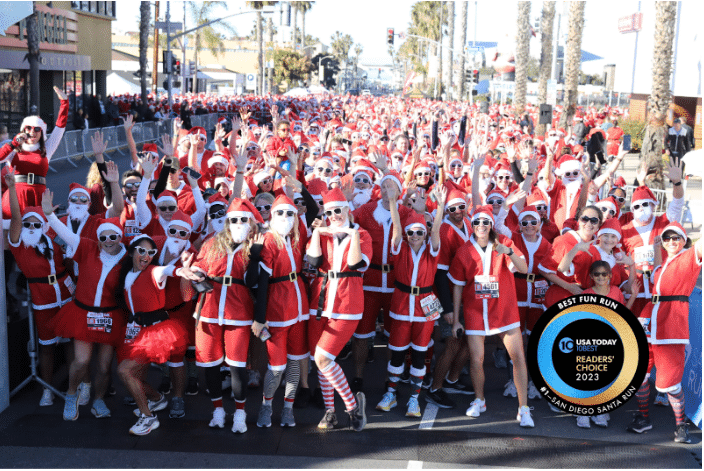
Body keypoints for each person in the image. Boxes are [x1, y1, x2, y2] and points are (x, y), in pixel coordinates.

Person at [177, 199, 262, 434]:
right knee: (211, 365)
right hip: (208, 311)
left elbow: (257, 282)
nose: (238, 223)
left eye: (243, 219)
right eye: (233, 219)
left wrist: (255, 255)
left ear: (250, 222)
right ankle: (217, 410)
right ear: (226, 222)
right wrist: (191, 268)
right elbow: (201, 267)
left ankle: (240, 413)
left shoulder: (256, 245)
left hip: (239, 312)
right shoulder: (211, 242)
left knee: (236, 366)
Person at [42, 189, 127, 422]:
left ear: (120, 237)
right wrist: (49, 215)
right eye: (104, 237)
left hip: (111, 316)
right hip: (83, 313)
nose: (108, 241)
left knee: (103, 366)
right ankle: (71, 395)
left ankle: (98, 400)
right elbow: (65, 235)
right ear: (97, 238)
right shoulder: (88, 248)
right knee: (81, 361)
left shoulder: (127, 259)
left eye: (114, 237)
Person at [448, 205, 534, 428]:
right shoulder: (464, 251)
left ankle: (523, 408)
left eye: (486, 222)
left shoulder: (504, 242)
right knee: (476, 359)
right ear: (472, 224)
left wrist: (511, 253)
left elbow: (524, 269)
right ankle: (480, 400)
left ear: (491, 225)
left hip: (504, 310)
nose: (481, 226)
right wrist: (456, 319)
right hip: (475, 311)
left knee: (518, 358)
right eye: (477, 222)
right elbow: (457, 287)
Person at [376, 185, 446, 418]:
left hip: (427, 302)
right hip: (402, 301)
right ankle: (391, 394)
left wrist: (440, 208)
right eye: (411, 233)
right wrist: (395, 204)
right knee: (396, 351)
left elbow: (436, 233)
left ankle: (414, 399)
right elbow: (397, 228)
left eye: (419, 232)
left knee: (419, 353)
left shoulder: (431, 250)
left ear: (425, 234)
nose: (415, 236)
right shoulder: (400, 249)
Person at [628, 222, 702, 444]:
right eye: (667, 238)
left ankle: (681, 426)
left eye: (676, 238)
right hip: (650, 323)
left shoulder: (689, 258)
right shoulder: (660, 267)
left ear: (684, 240)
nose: (672, 241)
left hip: (671, 326)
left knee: (669, 383)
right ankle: (644, 418)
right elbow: (660, 264)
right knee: (639, 374)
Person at [306, 187, 372, 431]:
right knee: (321, 360)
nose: (334, 215)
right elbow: (313, 261)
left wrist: (352, 234)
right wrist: (317, 231)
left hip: (347, 304)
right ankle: (330, 412)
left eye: (338, 210)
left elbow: (356, 263)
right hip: (320, 303)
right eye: (330, 211)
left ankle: (353, 407)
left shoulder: (362, 234)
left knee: (324, 358)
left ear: (347, 209)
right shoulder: (323, 234)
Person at [5, 171, 72, 407]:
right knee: (47, 346)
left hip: (66, 292)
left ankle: (74, 388)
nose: (32, 226)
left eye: (37, 223)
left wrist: (50, 214)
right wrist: (12, 189)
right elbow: (15, 218)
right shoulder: (19, 244)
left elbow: (71, 252)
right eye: (28, 224)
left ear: (43, 225)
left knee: (69, 342)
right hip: (42, 297)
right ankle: (47, 389)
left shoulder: (53, 237)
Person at [115, 235, 189, 435]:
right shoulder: (127, 274)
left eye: (151, 252)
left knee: (124, 371)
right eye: (142, 250)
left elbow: (168, 270)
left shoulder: (154, 272)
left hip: (156, 332)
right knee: (133, 375)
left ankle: (147, 417)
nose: (146, 256)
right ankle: (157, 398)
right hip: (136, 331)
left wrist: (183, 270)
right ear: (131, 252)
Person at [249, 195, 309, 428]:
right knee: (276, 366)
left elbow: (310, 211)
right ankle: (266, 406)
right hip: (277, 309)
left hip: (299, 306)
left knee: (295, 361)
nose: (285, 217)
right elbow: (261, 282)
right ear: (273, 216)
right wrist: (260, 318)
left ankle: (287, 408)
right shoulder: (268, 240)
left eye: (290, 213)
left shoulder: (295, 236)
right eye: (281, 213)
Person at [1, 86, 68, 223]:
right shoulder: (14, 148)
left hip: (38, 195)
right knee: (12, 234)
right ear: (23, 130)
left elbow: (60, 127)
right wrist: (14, 144)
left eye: (37, 129)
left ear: (42, 132)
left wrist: (64, 103)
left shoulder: (46, 149)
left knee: (37, 234)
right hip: (15, 196)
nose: (33, 131)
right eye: (29, 128)